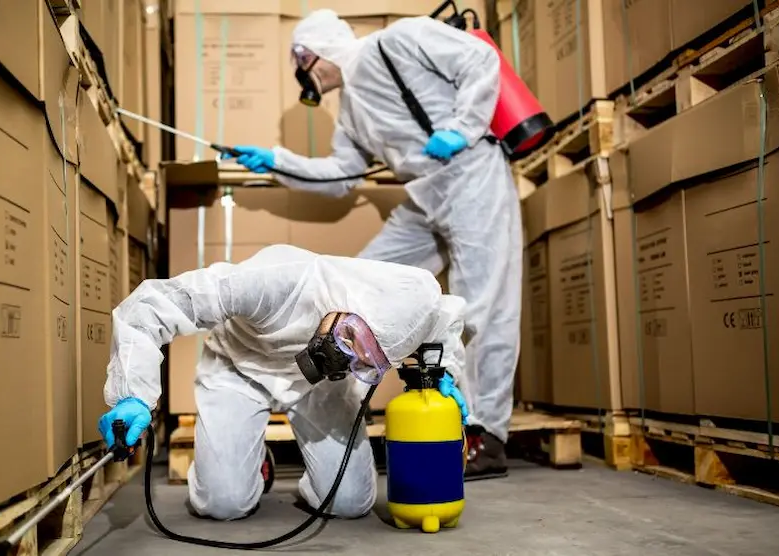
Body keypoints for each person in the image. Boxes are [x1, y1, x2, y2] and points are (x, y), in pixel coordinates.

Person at [224, 10, 521, 480]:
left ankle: (486, 436)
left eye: (303, 62)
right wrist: (274, 162)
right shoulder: (351, 111)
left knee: (484, 306)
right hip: (425, 194)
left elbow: (480, 58)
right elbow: (340, 178)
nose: (305, 76)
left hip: (472, 176)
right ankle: (354, 415)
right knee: (360, 282)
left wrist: (462, 128)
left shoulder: (400, 39)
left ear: (315, 51)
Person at [98, 244, 469, 521]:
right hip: (239, 367)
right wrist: (133, 394)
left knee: (349, 504)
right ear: (348, 305)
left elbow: (448, 320)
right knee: (223, 504)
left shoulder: (412, 312)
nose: (351, 356)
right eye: (349, 339)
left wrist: (447, 374)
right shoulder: (275, 280)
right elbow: (155, 305)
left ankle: (312, 477)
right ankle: (250, 464)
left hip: (321, 385)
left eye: (366, 362)